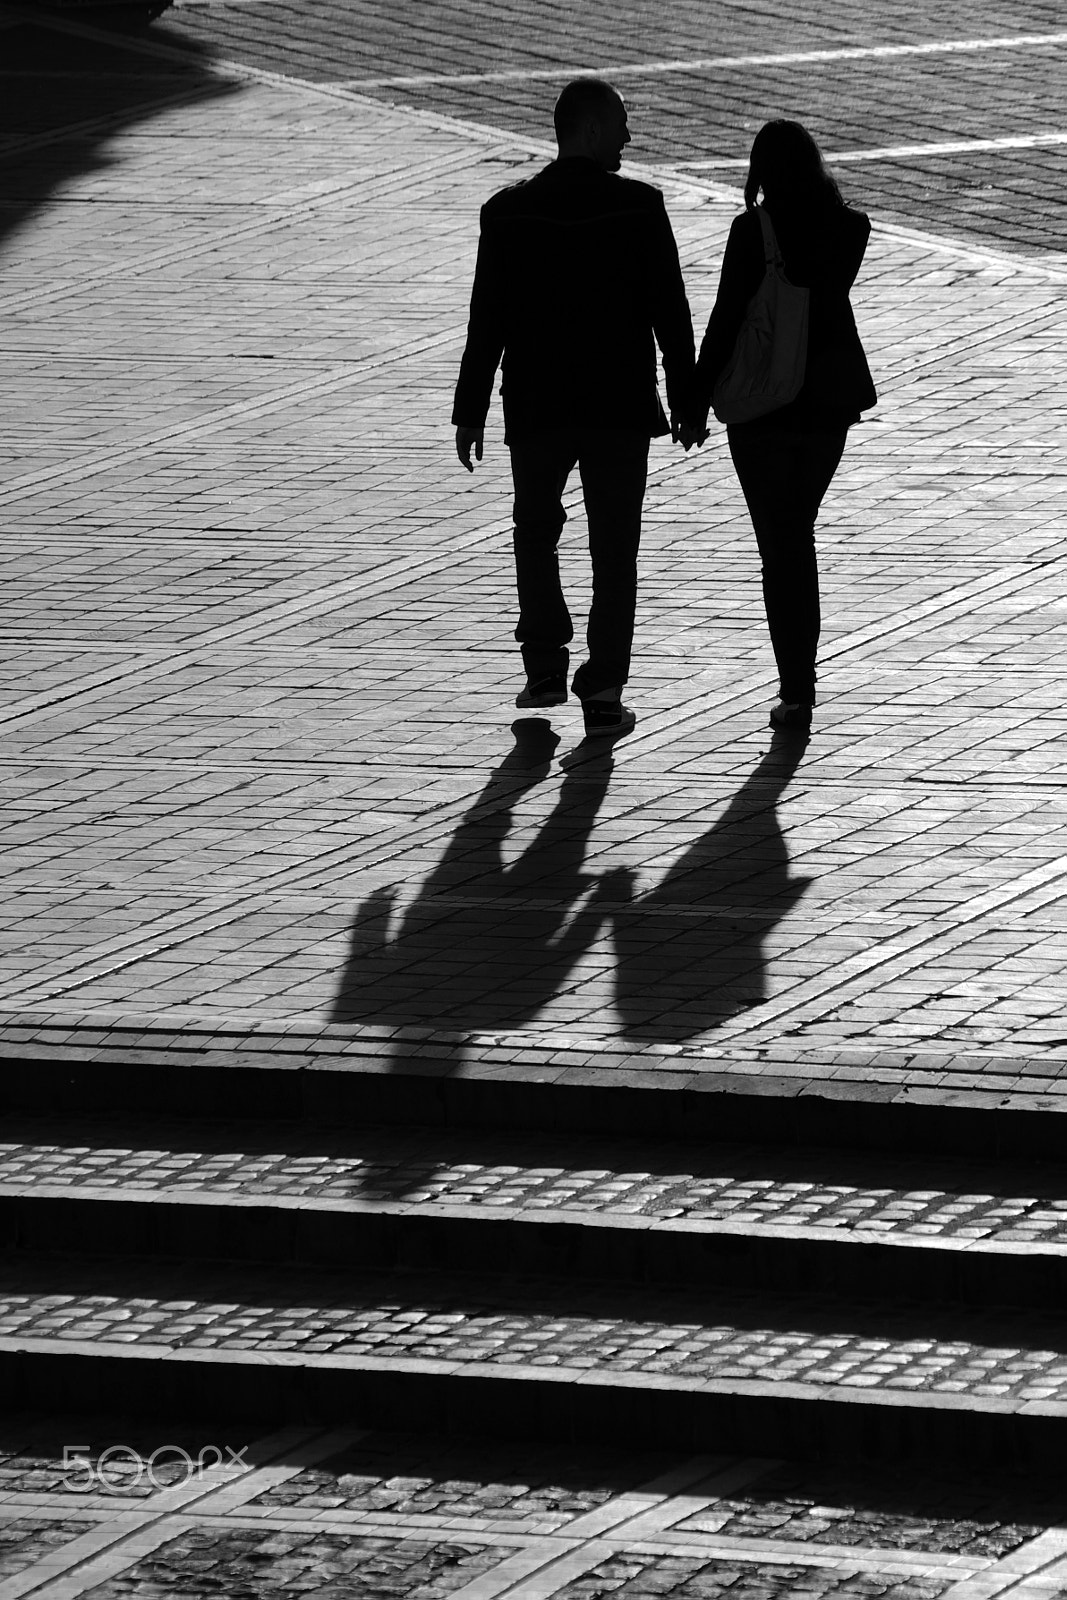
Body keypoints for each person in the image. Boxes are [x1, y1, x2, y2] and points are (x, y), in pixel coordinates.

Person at [453, 77, 695, 737]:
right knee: (614, 549)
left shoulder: (507, 212)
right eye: (619, 121)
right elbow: (668, 312)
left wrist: (469, 407)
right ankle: (603, 687)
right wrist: (686, 395)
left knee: (535, 532)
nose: (627, 134)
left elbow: (487, 319)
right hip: (617, 405)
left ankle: (542, 660)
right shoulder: (638, 207)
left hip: (536, 403)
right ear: (587, 128)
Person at [685, 120, 876, 733]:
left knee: (780, 544)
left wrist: (692, 397)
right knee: (799, 530)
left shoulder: (751, 232)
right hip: (826, 404)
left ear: (762, 170)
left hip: (763, 406)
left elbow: (726, 318)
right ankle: (801, 685)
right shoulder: (850, 228)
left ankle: (795, 690)